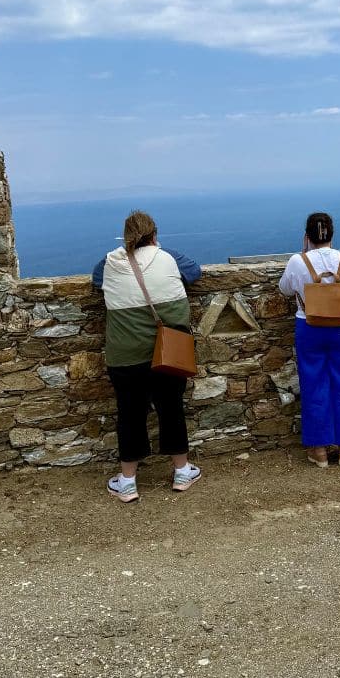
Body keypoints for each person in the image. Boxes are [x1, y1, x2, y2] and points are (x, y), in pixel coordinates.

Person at [92, 211, 203, 503]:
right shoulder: (167, 258)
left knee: (129, 414)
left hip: (125, 354)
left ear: (126, 237)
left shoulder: (110, 262)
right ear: (154, 235)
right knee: (172, 409)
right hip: (169, 350)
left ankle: (127, 481)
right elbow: (195, 271)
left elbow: (95, 280)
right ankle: (181, 472)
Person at [279, 212, 340, 469]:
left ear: (307, 236)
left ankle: (320, 450)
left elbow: (285, 289)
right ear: (331, 234)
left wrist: (303, 253)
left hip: (309, 326)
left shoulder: (297, 261)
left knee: (313, 385)